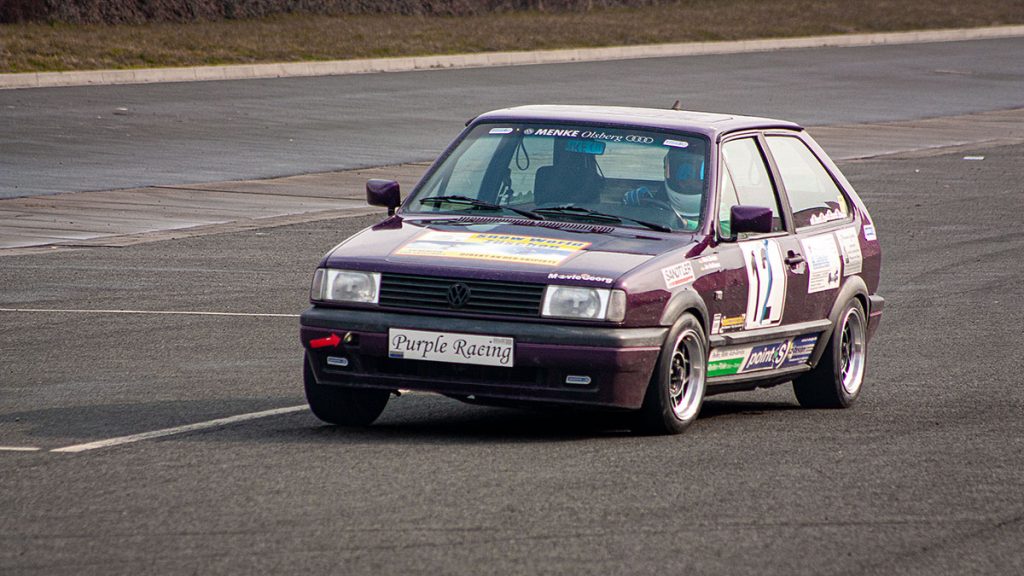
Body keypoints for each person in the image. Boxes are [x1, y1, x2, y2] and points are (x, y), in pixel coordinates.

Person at [622, 143, 707, 226]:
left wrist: (686, 224)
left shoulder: (717, 205)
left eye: (696, 175)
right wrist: (636, 204)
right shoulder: (661, 196)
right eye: (683, 172)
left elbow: (717, 228)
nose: (688, 180)